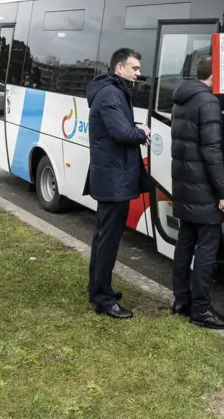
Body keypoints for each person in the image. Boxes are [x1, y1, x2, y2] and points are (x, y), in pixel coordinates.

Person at [85, 48, 150, 319]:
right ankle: (103, 298)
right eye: (134, 68)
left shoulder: (113, 90)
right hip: (113, 179)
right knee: (108, 240)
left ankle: (99, 287)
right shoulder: (112, 93)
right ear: (119, 68)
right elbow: (120, 133)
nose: (138, 73)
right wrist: (141, 131)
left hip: (113, 175)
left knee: (104, 237)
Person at [169, 57, 224, 329]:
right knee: (207, 248)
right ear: (214, 76)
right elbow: (212, 152)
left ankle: (182, 300)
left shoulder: (182, 96)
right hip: (203, 188)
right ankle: (202, 310)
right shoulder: (208, 102)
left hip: (184, 185)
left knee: (185, 244)